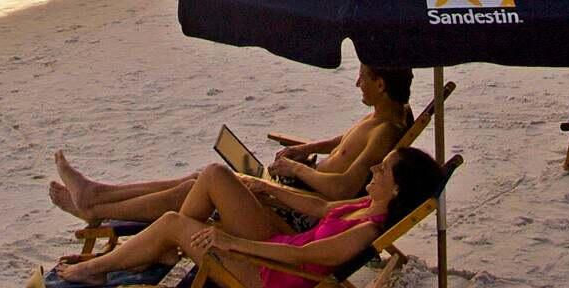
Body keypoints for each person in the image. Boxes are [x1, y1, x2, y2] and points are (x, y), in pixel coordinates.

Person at [54, 148, 445, 288]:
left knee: (175, 222)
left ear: (396, 190)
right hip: (283, 243)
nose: (373, 169)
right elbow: (322, 206)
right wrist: (264, 187)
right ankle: (151, 249)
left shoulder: (366, 231)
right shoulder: (367, 204)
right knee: (214, 176)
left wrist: (232, 244)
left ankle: (96, 268)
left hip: (272, 277)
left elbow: (302, 255)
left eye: (382, 169)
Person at [49, 64, 414, 224]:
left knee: (194, 192)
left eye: (363, 77)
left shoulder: (385, 131)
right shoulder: (385, 114)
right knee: (198, 179)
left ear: (380, 84)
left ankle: (96, 206)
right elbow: (346, 143)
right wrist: (307, 149)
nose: (357, 84)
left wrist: (294, 168)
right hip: (294, 187)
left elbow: (345, 187)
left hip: (300, 204)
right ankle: (97, 194)